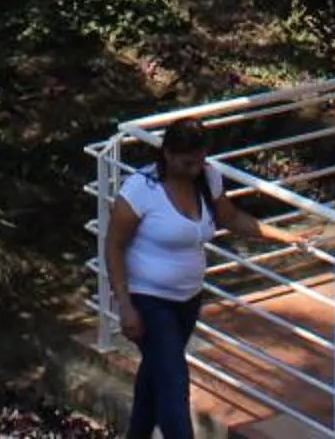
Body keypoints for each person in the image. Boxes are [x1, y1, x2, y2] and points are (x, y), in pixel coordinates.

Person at [103, 118, 295, 439]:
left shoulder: (207, 178)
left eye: (200, 160)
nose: (195, 168)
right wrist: (124, 305)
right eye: (187, 161)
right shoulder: (141, 189)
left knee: (156, 375)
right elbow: (114, 245)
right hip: (148, 299)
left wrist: (286, 237)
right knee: (175, 382)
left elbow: (230, 218)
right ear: (167, 153)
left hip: (187, 300)